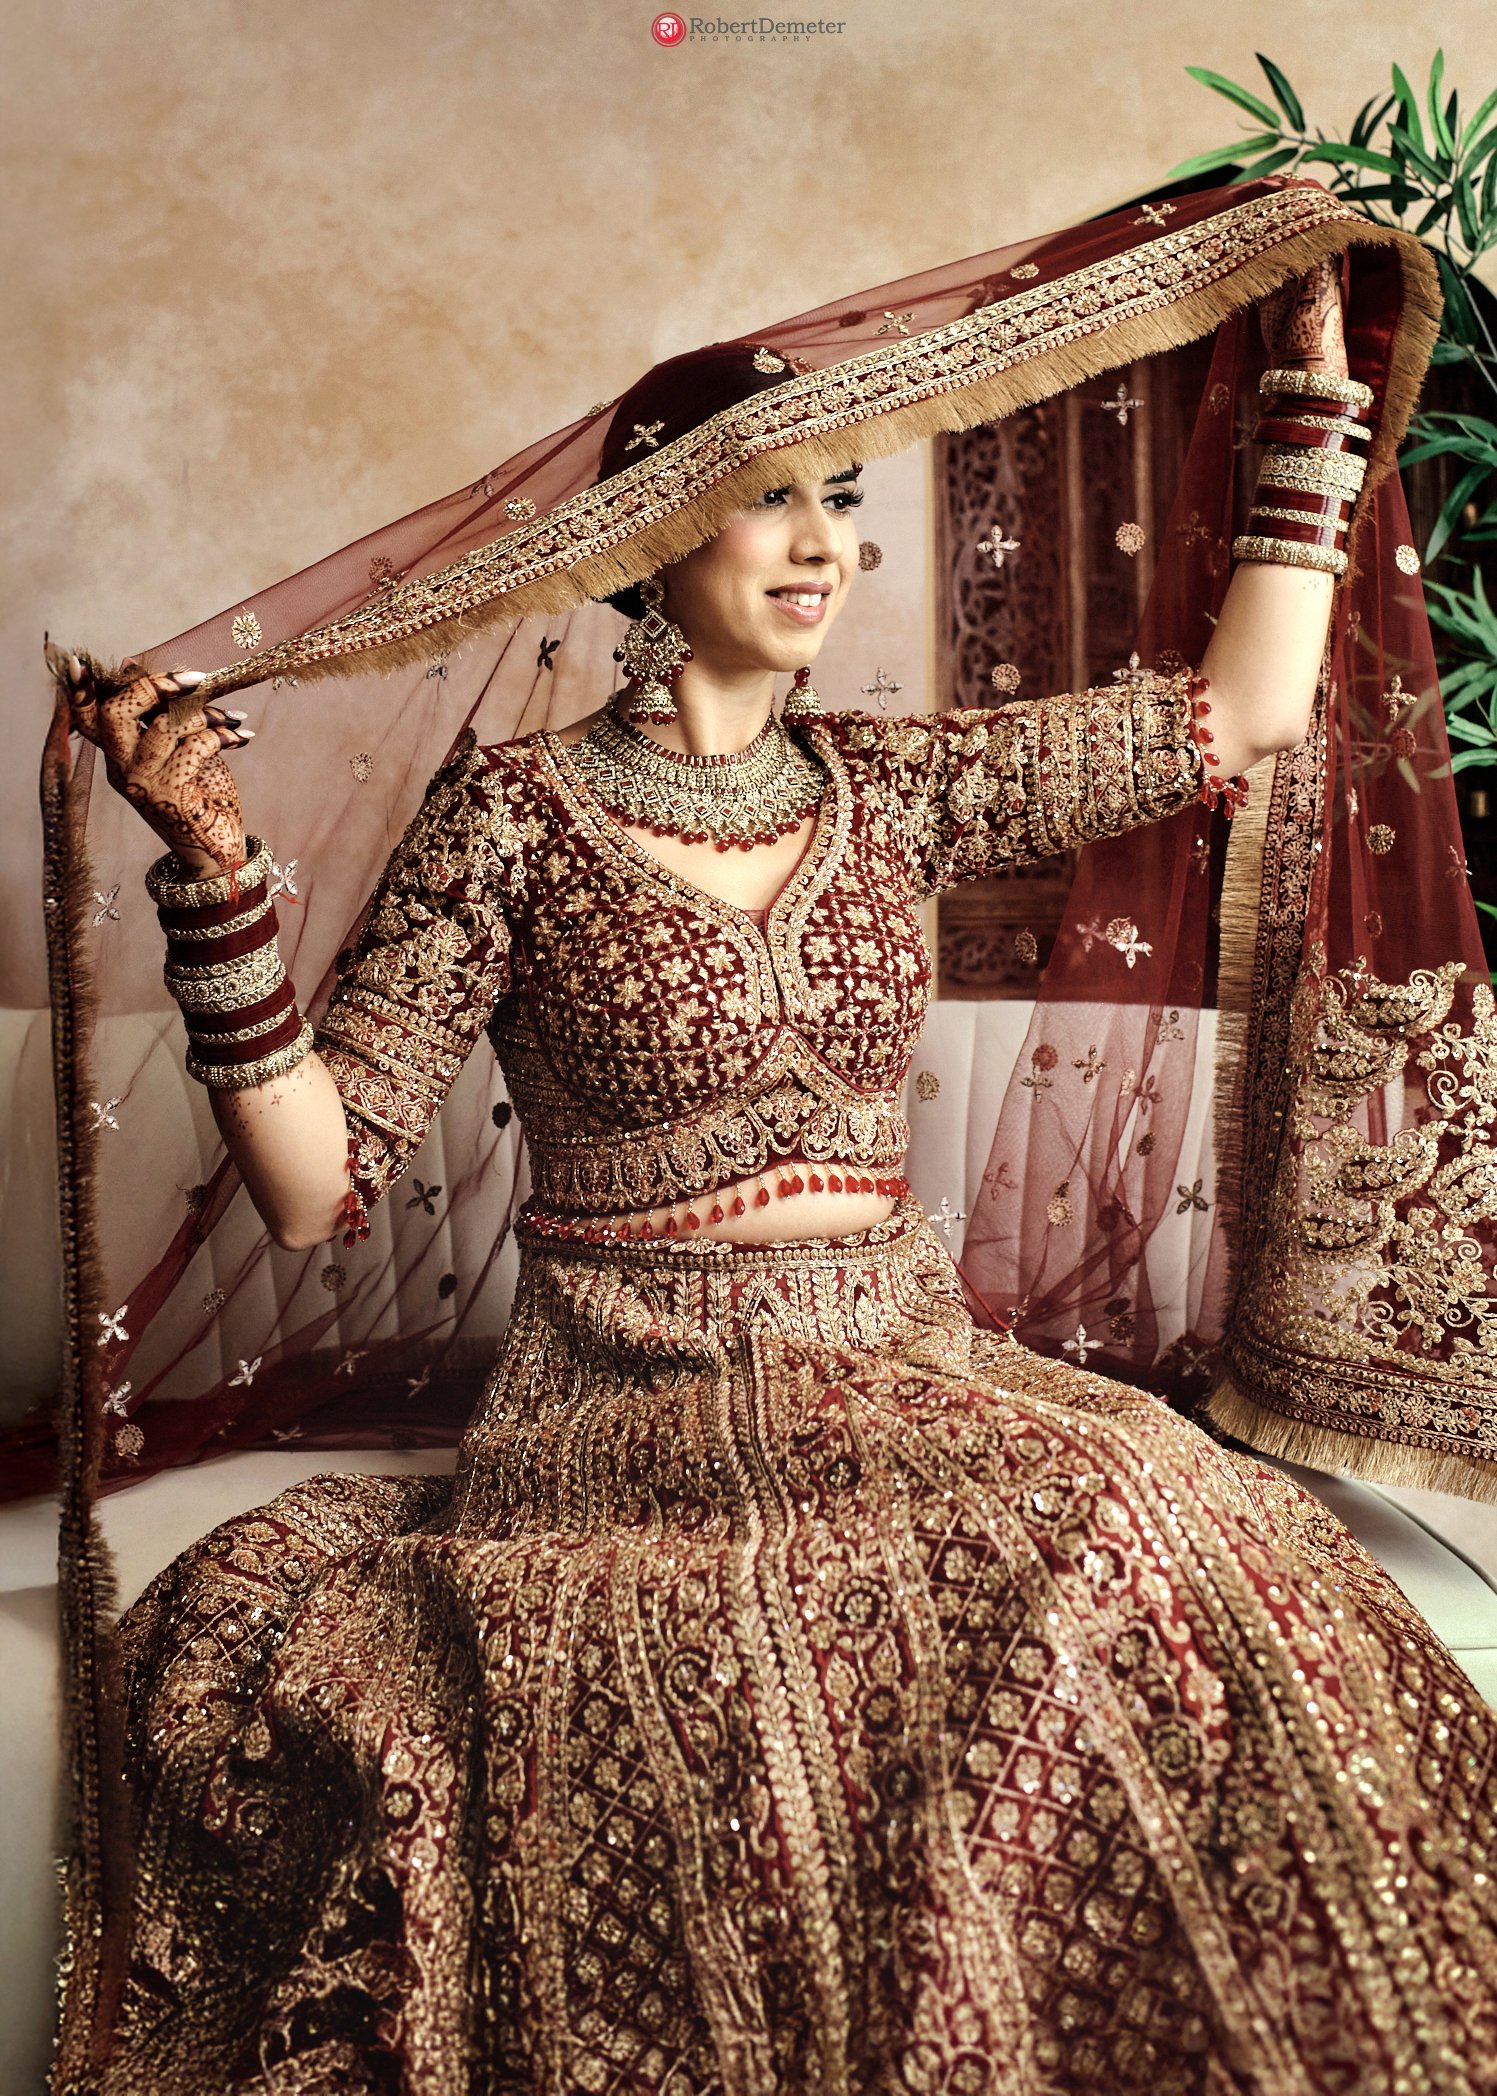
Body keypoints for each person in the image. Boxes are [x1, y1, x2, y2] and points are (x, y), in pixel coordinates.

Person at [56, 256, 1497, 2091]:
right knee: (1000, 1555)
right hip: (634, 1390)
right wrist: (216, 888)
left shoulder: (882, 787)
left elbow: (1235, 721)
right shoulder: (516, 817)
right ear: (651, 545)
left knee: (1177, 1512)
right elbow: (314, 1189)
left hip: (904, 1355)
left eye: (837, 501)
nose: (820, 546)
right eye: (766, 501)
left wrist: (1306, 414)